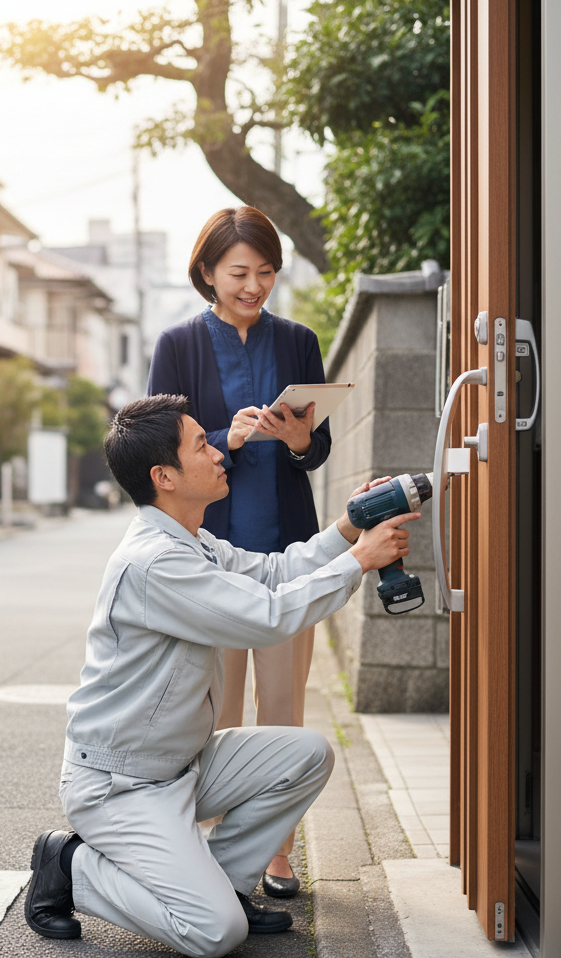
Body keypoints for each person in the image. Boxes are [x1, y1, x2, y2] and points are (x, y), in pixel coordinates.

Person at [24, 394, 417, 956]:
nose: (218, 453)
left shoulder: (194, 542)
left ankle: (224, 887)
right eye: (201, 446)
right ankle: (72, 866)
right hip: (121, 786)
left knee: (306, 754)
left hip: (181, 765)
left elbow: (275, 571)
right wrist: (359, 560)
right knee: (213, 934)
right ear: (164, 477)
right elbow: (267, 617)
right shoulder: (156, 563)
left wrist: (348, 528)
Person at [147, 205, 328, 896]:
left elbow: (320, 446)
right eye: (240, 273)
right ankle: (211, 853)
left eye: (266, 272)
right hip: (208, 558)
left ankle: (275, 853)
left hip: (285, 555)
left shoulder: (299, 340)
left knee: (282, 711)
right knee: (213, 715)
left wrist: (297, 439)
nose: (255, 285)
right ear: (208, 274)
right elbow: (154, 447)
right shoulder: (177, 344)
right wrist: (225, 438)